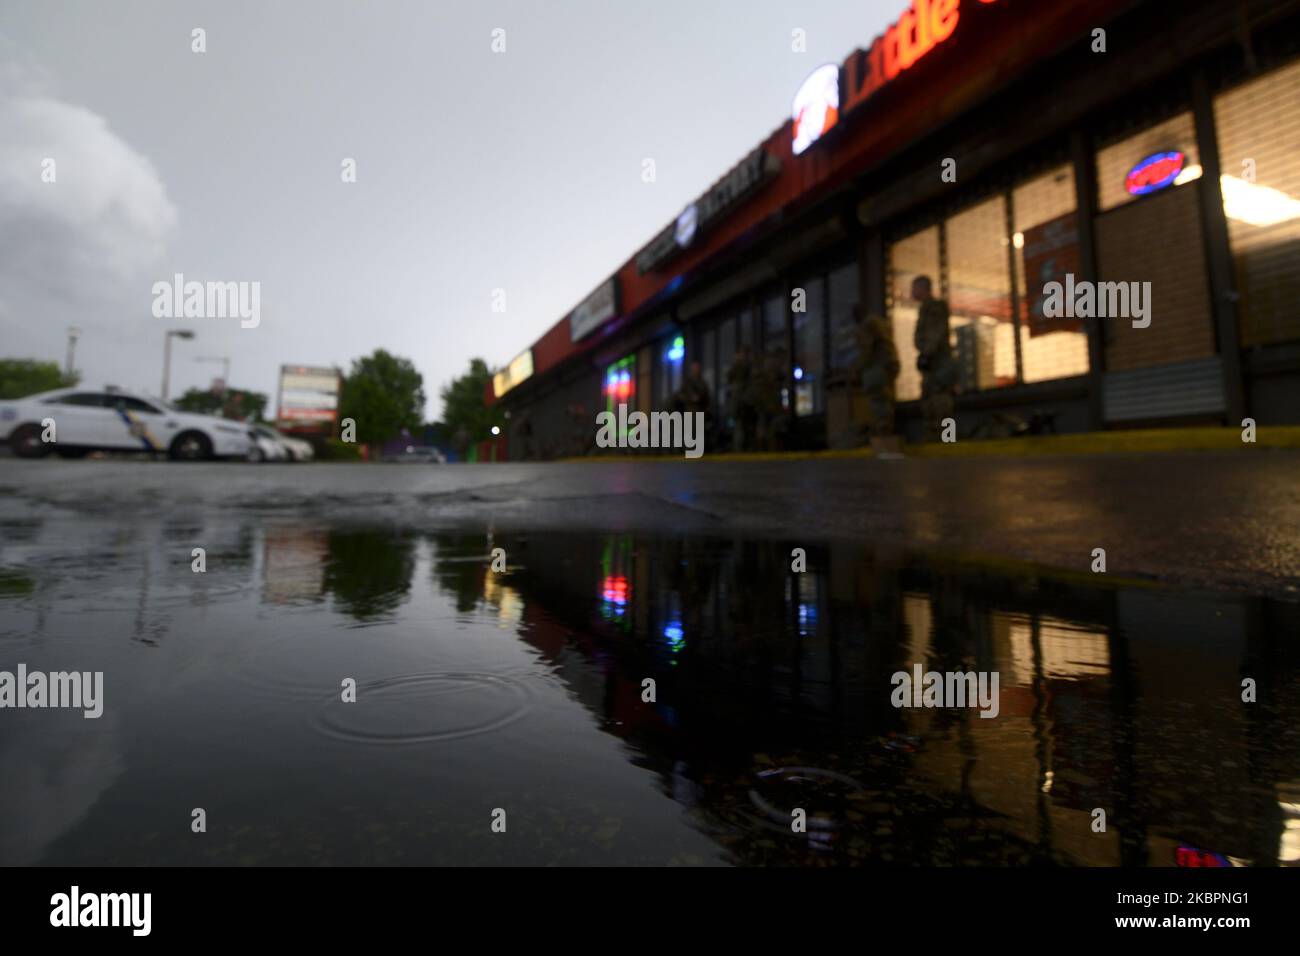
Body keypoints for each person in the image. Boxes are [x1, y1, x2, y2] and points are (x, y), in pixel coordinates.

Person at [912, 275, 958, 442]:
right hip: (933, 364)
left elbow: (935, 333)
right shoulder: (926, 308)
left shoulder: (934, 307)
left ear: (923, 288)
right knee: (930, 402)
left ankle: (948, 439)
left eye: (914, 288)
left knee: (942, 402)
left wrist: (927, 354)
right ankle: (935, 439)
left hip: (939, 363)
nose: (912, 292)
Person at [852, 306, 900, 438]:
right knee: (884, 399)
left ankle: (883, 434)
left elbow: (867, 350)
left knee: (878, 401)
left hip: (877, 367)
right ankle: (885, 431)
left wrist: (857, 368)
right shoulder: (879, 322)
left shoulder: (868, 325)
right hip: (888, 365)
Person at [726, 346, 757, 452]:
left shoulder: (748, 367)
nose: (741, 356)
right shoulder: (737, 368)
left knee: (747, 426)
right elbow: (730, 379)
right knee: (740, 427)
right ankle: (740, 448)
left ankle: (746, 448)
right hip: (740, 402)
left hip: (747, 401)